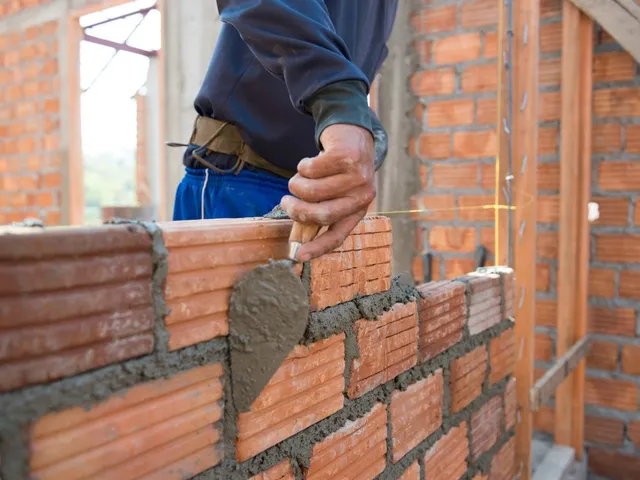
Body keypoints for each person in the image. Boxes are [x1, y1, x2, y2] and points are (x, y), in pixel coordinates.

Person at [171, 0, 399, 262]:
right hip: (240, 176)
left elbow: (344, 60)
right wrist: (340, 101)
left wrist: (363, 123)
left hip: (311, 199)